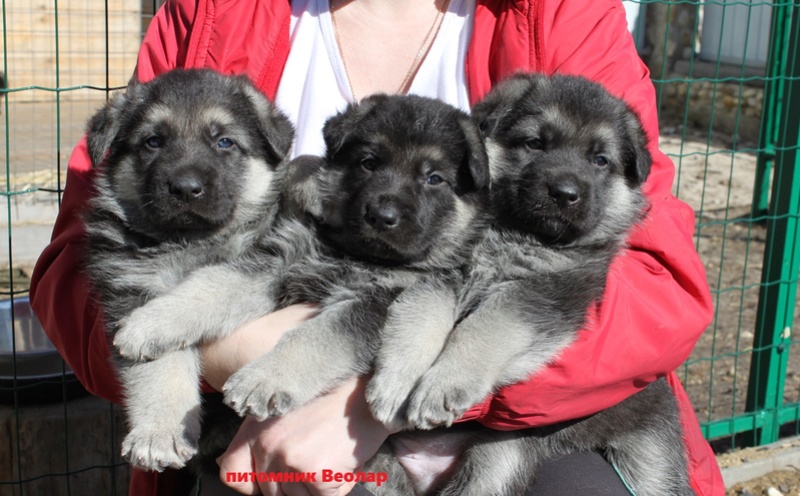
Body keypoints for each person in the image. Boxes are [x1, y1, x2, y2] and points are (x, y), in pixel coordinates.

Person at [29, 0, 725, 495]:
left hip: (514, 414)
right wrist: (222, 351)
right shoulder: (213, 9)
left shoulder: (557, 12)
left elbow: (659, 286)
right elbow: (76, 269)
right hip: (249, 417)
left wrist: (373, 399)